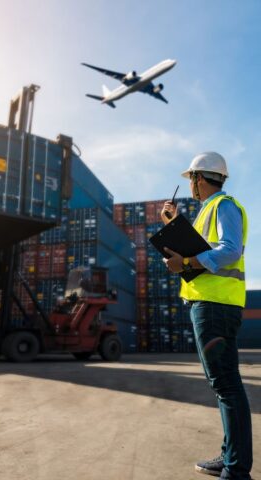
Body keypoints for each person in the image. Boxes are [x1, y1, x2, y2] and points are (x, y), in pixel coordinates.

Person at [161, 152, 252, 480]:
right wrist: (172, 227)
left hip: (216, 306)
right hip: (210, 304)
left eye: (191, 179)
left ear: (200, 177)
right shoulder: (207, 211)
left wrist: (184, 264)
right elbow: (202, 247)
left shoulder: (224, 205)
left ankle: (237, 470)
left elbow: (230, 251)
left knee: (226, 384)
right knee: (223, 384)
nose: (191, 186)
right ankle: (230, 457)